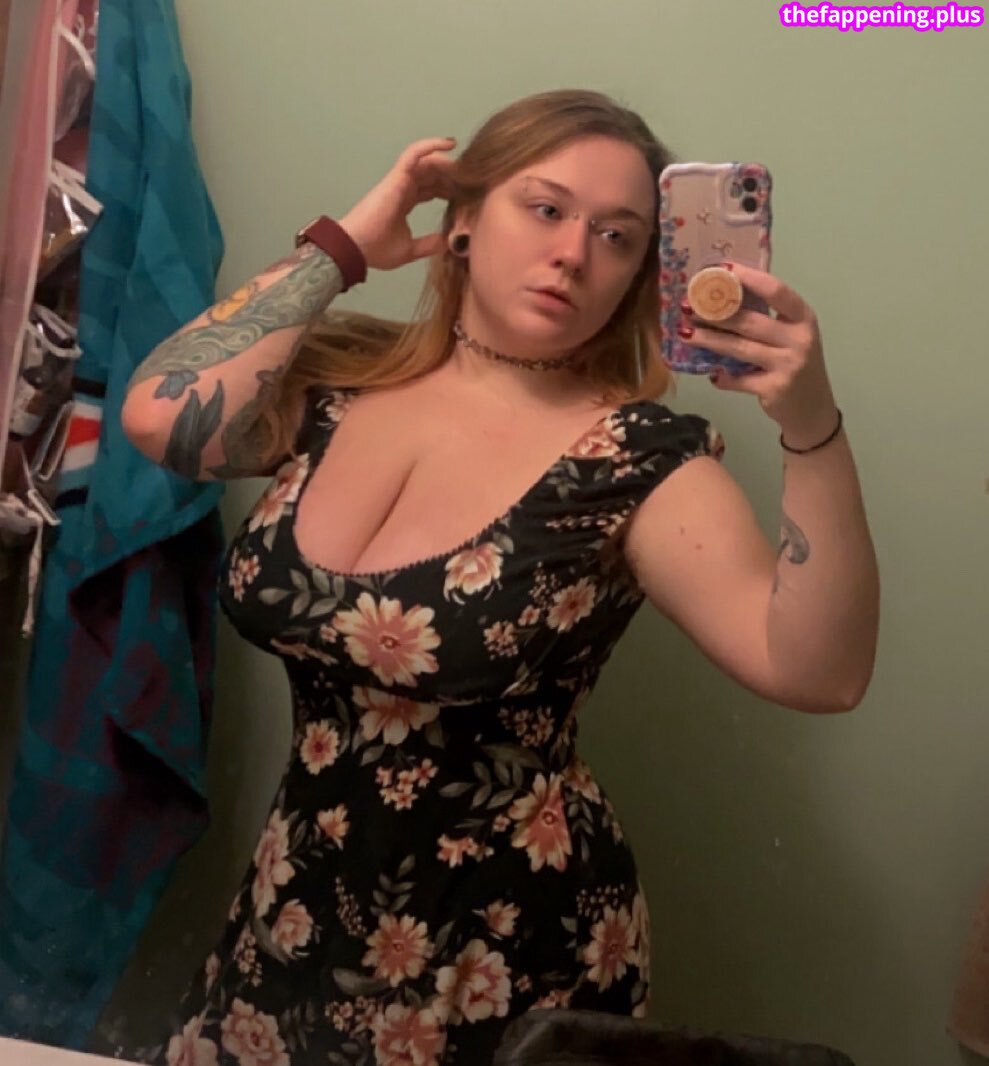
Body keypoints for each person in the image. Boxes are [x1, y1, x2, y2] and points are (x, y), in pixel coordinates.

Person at [121, 89, 879, 1066]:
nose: (572, 253)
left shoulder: (634, 459)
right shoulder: (337, 389)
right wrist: (343, 246)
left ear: (639, 275)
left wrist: (809, 423)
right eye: (545, 207)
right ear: (464, 218)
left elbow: (817, 671)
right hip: (293, 906)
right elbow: (160, 418)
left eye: (616, 236)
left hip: (503, 943)